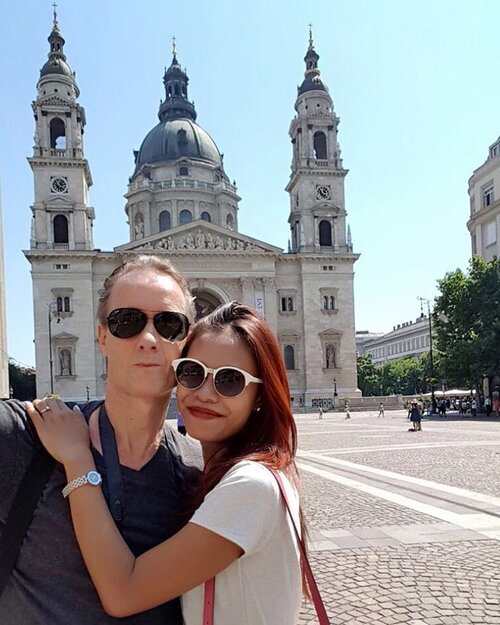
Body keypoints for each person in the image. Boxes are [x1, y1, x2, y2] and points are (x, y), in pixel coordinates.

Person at [26, 302, 305, 624]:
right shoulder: (233, 473)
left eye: (229, 380)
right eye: (192, 372)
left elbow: (123, 593)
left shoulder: (251, 486)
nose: (205, 393)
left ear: (260, 396)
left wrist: (76, 459)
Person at [0, 255, 202, 625]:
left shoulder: (199, 472)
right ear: (102, 337)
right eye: (127, 321)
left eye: (169, 324)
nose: (148, 339)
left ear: (186, 342)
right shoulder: (24, 435)